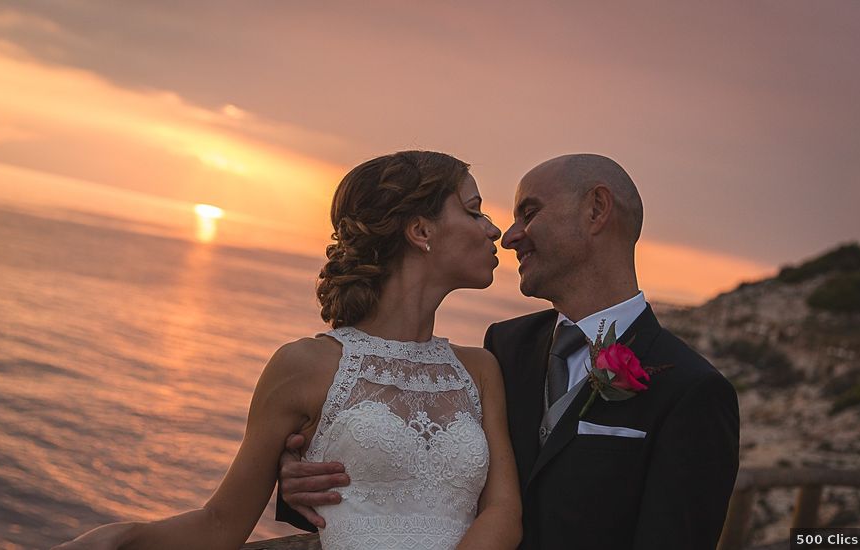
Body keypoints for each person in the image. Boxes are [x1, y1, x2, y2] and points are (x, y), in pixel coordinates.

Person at [52, 151, 522, 550]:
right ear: (421, 231)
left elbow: (503, 514)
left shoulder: (479, 370)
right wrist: (120, 539)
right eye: (474, 210)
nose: (493, 229)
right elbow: (222, 525)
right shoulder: (305, 366)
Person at [277, 154, 740, 549]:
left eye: (530, 213)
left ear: (596, 210)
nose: (510, 234)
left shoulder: (692, 391)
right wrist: (307, 480)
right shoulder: (506, 347)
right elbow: (428, 474)